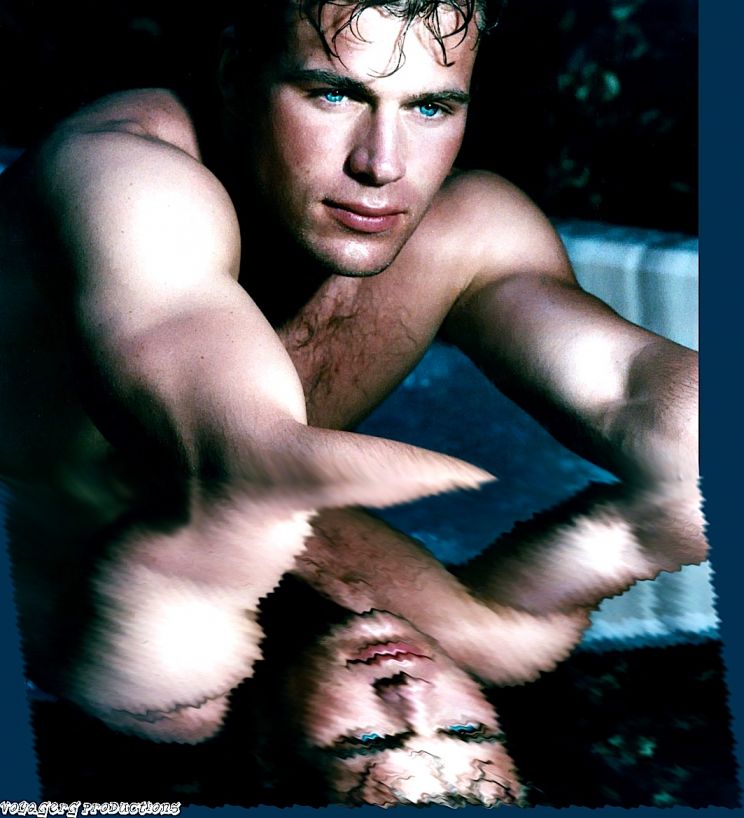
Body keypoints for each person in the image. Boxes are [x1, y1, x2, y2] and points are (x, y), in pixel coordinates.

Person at [0, 0, 703, 748]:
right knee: (172, 692)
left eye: (430, 108)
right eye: (334, 95)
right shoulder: (124, 176)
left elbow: (630, 383)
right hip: (72, 558)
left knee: (559, 600)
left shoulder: (470, 231)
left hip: (251, 512)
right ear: (236, 73)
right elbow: (228, 427)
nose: (381, 165)